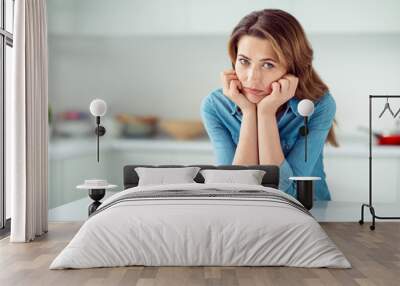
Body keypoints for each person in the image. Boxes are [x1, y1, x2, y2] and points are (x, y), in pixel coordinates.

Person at [200, 9, 339, 200]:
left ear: (292, 68)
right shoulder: (215, 107)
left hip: (311, 213)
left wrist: (265, 114)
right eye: (244, 61)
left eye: (268, 65)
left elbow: (285, 193)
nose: (252, 78)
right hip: (248, 214)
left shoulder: (318, 105)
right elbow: (233, 190)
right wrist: (249, 113)